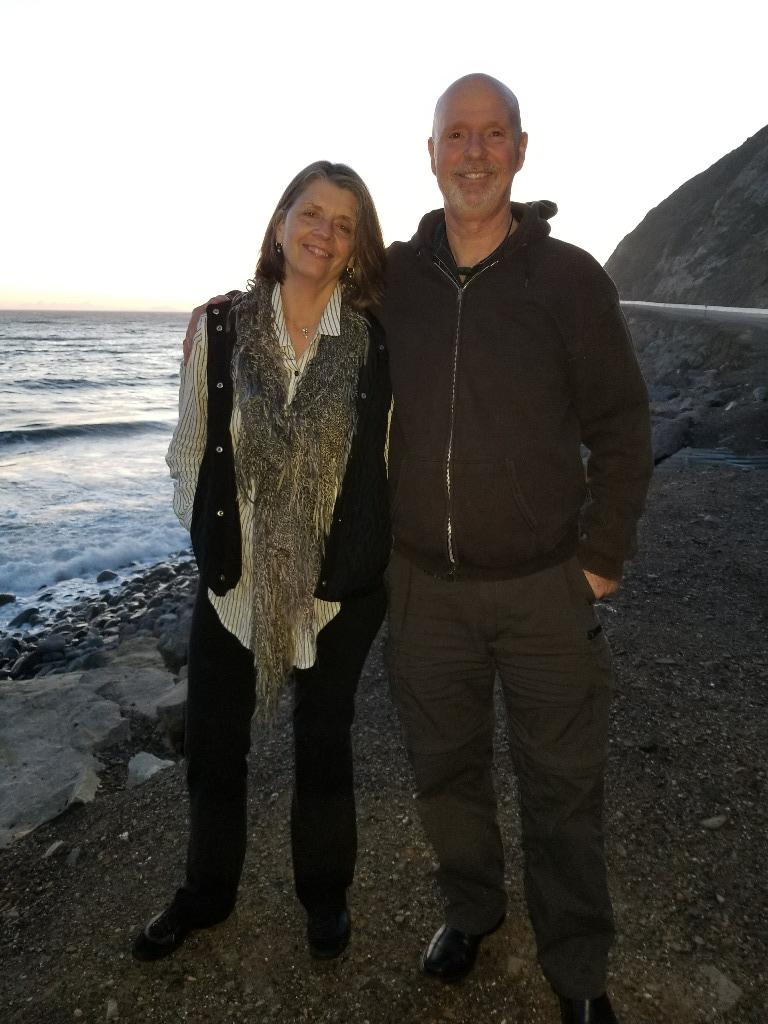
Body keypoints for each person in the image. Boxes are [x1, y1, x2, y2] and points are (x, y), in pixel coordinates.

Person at [380, 75, 653, 1024]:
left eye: (493, 134)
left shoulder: (570, 277)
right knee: (444, 771)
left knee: (563, 790)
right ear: (430, 153)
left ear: (521, 150)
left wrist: (602, 553)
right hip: (422, 588)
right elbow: (301, 313)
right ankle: (471, 911)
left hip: (546, 587)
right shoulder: (392, 281)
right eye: (457, 134)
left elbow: (622, 422)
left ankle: (578, 972)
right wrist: (221, 323)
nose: (474, 151)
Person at [132, 161, 391, 963]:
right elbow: (186, 453)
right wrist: (219, 546)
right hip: (234, 586)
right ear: (281, 223)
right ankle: (206, 896)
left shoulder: (374, 342)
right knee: (214, 752)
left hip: (334, 592)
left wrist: (349, 555)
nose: (325, 233)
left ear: (356, 247)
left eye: (345, 224)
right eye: (311, 214)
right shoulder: (218, 328)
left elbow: (381, 460)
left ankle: (324, 897)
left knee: (323, 747)